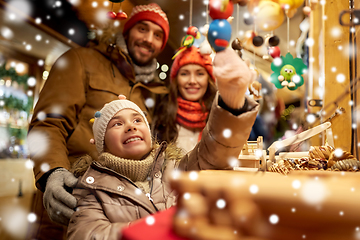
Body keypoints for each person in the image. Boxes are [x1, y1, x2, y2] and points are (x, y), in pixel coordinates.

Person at [66, 47, 259, 240]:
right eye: (117, 124)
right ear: (102, 143)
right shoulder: (91, 188)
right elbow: (86, 234)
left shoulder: (174, 169)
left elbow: (212, 153)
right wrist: (160, 226)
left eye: (137, 120)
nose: (130, 127)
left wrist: (230, 102)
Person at [26, 3, 169, 240]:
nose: (149, 40)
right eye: (142, 29)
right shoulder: (81, 60)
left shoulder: (151, 91)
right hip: (71, 199)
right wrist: (52, 172)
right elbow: (48, 124)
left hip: (118, 214)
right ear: (127, 30)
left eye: (158, 35)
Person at [152, 46, 217, 153]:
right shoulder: (162, 117)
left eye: (200, 73)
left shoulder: (219, 116)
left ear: (208, 79)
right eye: (184, 74)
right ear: (176, 79)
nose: (192, 80)